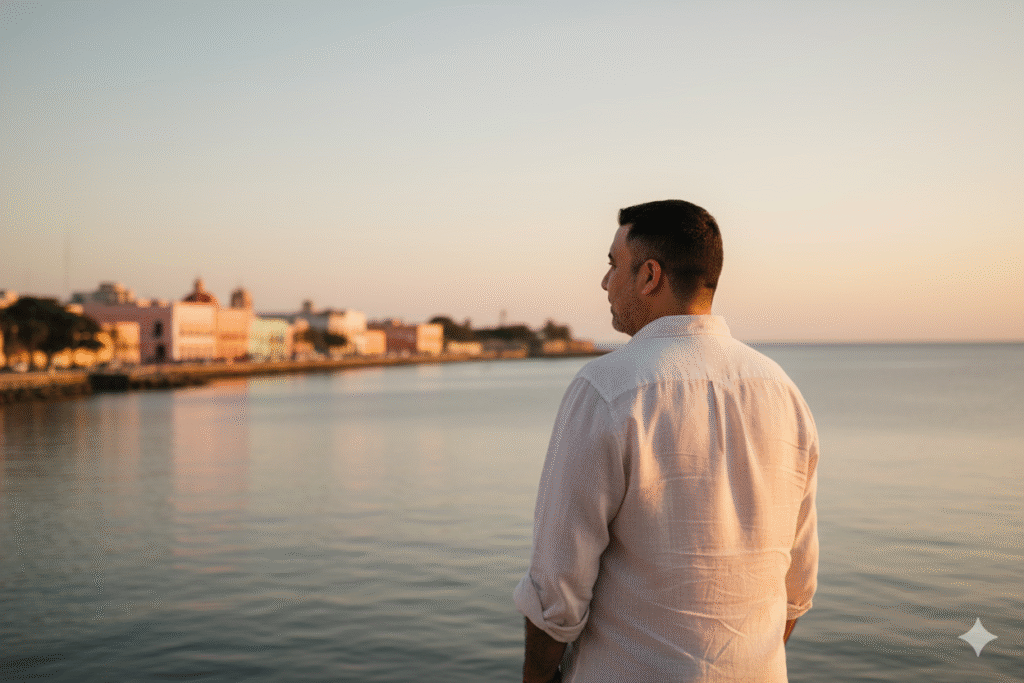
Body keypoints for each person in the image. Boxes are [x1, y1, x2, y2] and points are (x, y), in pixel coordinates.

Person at [514, 200, 819, 682]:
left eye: (614, 264)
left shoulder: (606, 390)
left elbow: (557, 592)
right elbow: (795, 588)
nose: (605, 281)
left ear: (649, 276)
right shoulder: (782, 391)